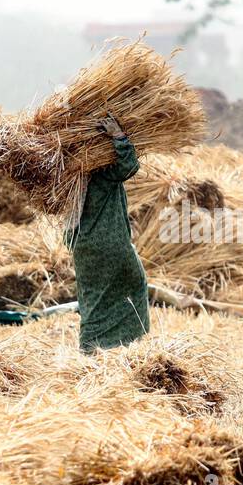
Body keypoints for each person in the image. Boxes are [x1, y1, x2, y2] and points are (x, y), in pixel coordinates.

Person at [68, 115, 150, 353]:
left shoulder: (70, 174)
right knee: (136, 286)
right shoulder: (100, 170)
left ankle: (89, 347)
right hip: (111, 243)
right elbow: (129, 166)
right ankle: (131, 346)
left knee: (92, 298)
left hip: (82, 245)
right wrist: (119, 136)